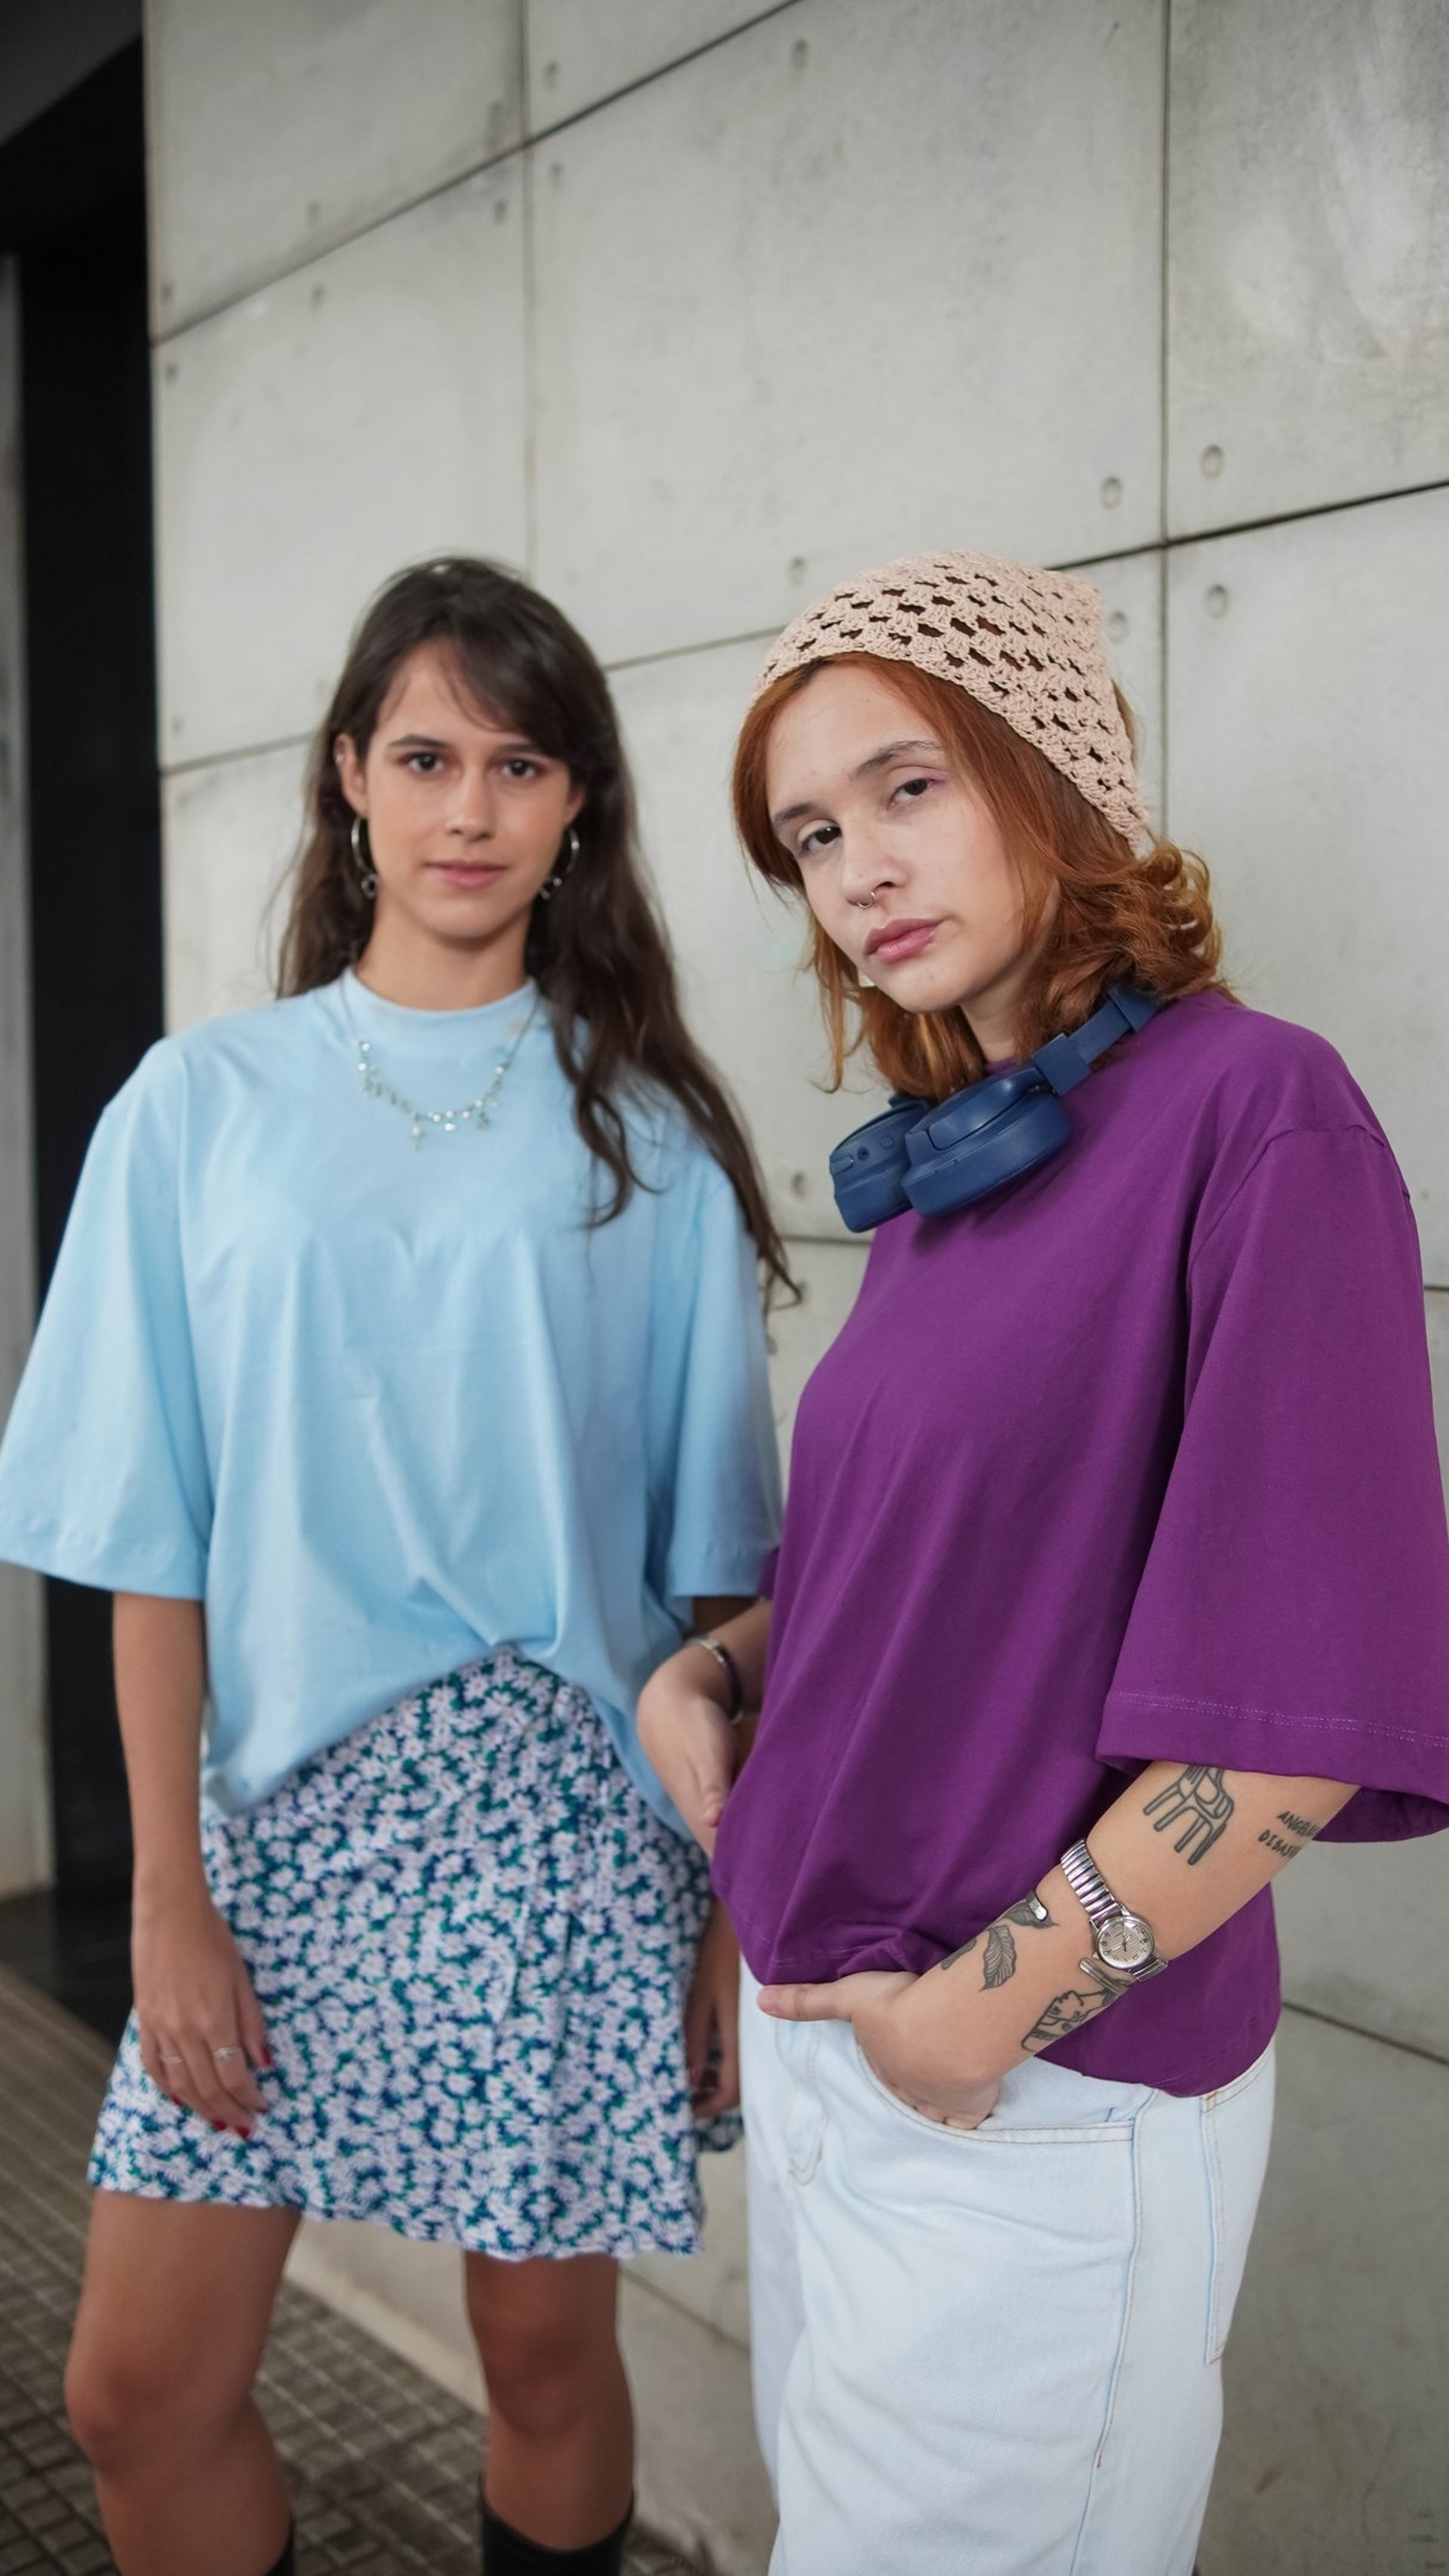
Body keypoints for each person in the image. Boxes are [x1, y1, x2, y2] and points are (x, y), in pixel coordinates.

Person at [638, 549, 1449, 2576]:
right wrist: (728, 1671)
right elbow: (966, 1557)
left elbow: (1294, 1733)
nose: (859, 870)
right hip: (850, 2069)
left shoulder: (1257, 1116)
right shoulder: (961, 1161)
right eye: (814, 835)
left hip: (1031, 2101)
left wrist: (978, 2021)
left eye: (908, 787)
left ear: (1051, 769)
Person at [0, 557, 784, 2576]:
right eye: (425, 754)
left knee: (536, 2360)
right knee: (136, 2392)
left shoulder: (653, 1143)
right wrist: (170, 1890)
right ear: (350, 776)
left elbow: (726, 1584)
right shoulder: (200, 1108)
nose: (468, 808)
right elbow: (145, 1538)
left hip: (566, 1817)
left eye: (521, 763)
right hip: (269, 1818)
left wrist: (722, 1916)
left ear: (579, 805)